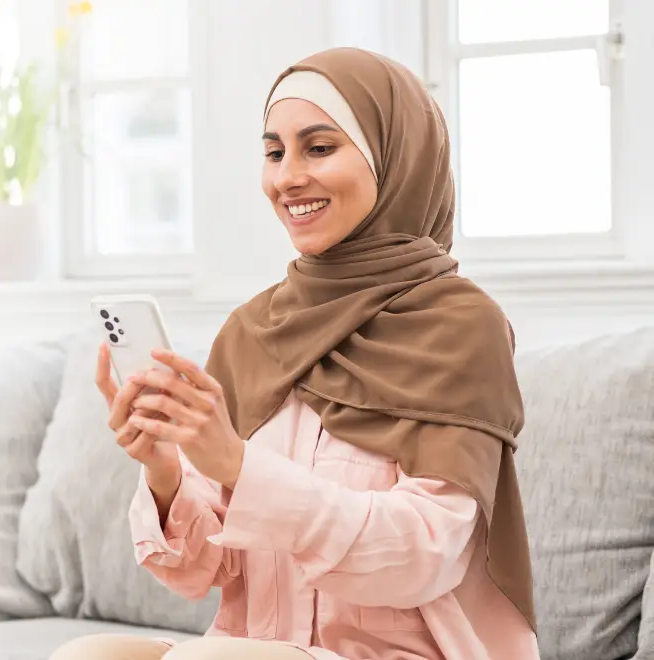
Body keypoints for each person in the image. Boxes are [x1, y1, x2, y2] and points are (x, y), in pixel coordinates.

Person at [49, 47, 538, 660]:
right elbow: (203, 572)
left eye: (319, 147)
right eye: (275, 152)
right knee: (86, 655)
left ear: (395, 159)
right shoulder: (255, 329)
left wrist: (237, 467)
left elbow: (423, 556)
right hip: (254, 651)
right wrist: (166, 470)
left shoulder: (461, 327)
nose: (285, 178)